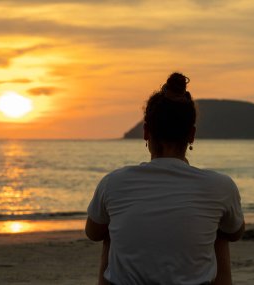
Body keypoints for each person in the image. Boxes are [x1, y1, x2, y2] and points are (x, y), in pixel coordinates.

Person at [86, 72, 245, 285]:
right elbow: (235, 233)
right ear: (191, 135)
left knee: (109, 231)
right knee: (220, 230)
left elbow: (93, 233)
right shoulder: (220, 186)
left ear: (146, 132)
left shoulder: (113, 183)